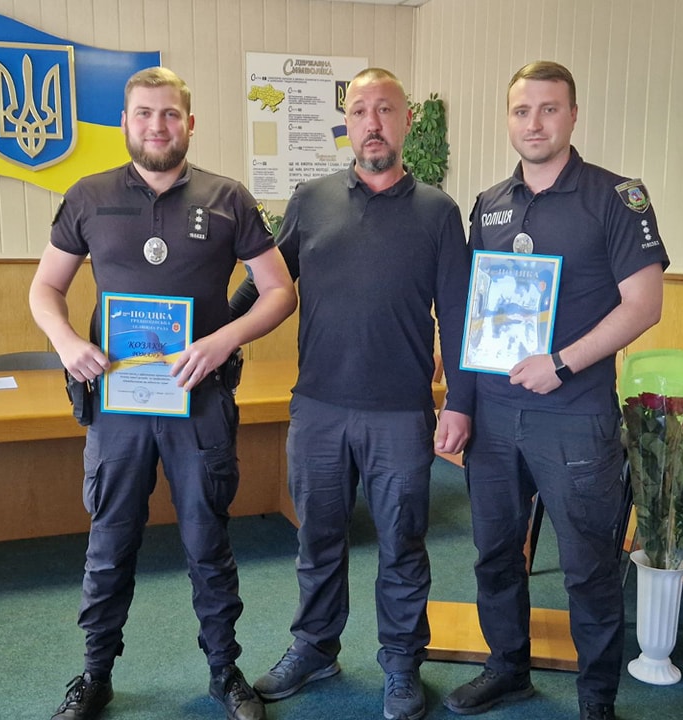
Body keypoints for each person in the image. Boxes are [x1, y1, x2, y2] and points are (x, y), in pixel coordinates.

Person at [28, 66, 297, 720]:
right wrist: (66, 342)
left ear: (190, 123)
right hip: (117, 404)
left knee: (209, 543)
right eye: (144, 114)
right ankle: (95, 674)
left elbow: (280, 291)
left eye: (170, 114)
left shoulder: (229, 198)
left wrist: (223, 341)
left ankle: (224, 670)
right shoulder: (88, 197)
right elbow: (45, 288)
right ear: (125, 122)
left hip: (198, 403)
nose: (157, 125)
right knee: (109, 543)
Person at [229, 67, 473, 720]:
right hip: (319, 409)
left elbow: (458, 314)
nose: (372, 122)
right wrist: (218, 328)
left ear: (405, 121)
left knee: (403, 544)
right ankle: (315, 647)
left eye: (385, 110)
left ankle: (402, 663)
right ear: (347, 122)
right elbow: (267, 280)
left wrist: (460, 400)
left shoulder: (439, 213)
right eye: (360, 110)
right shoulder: (310, 200)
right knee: (319, 540)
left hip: (400, 413)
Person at [443, 61, 669, 720]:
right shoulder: (489, 203)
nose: (534, 123)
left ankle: (596, 699)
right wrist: (460, 401)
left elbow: (644, 304)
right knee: (494, 554)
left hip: (573, 415)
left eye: (549, 109)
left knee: (587, 566)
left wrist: (562, 364)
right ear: (508, 119)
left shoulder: (617, 197)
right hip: (494, 414)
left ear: (573, 115)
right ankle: (507, 668)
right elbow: (472, 311)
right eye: (522, 111)